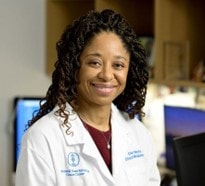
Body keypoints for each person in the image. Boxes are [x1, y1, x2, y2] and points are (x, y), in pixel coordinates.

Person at [15, 9, 160, 186]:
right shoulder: (42, 138)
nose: (107, 75)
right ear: (74, 66)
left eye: (118, 65)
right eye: (95, 63)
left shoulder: (139, 134)